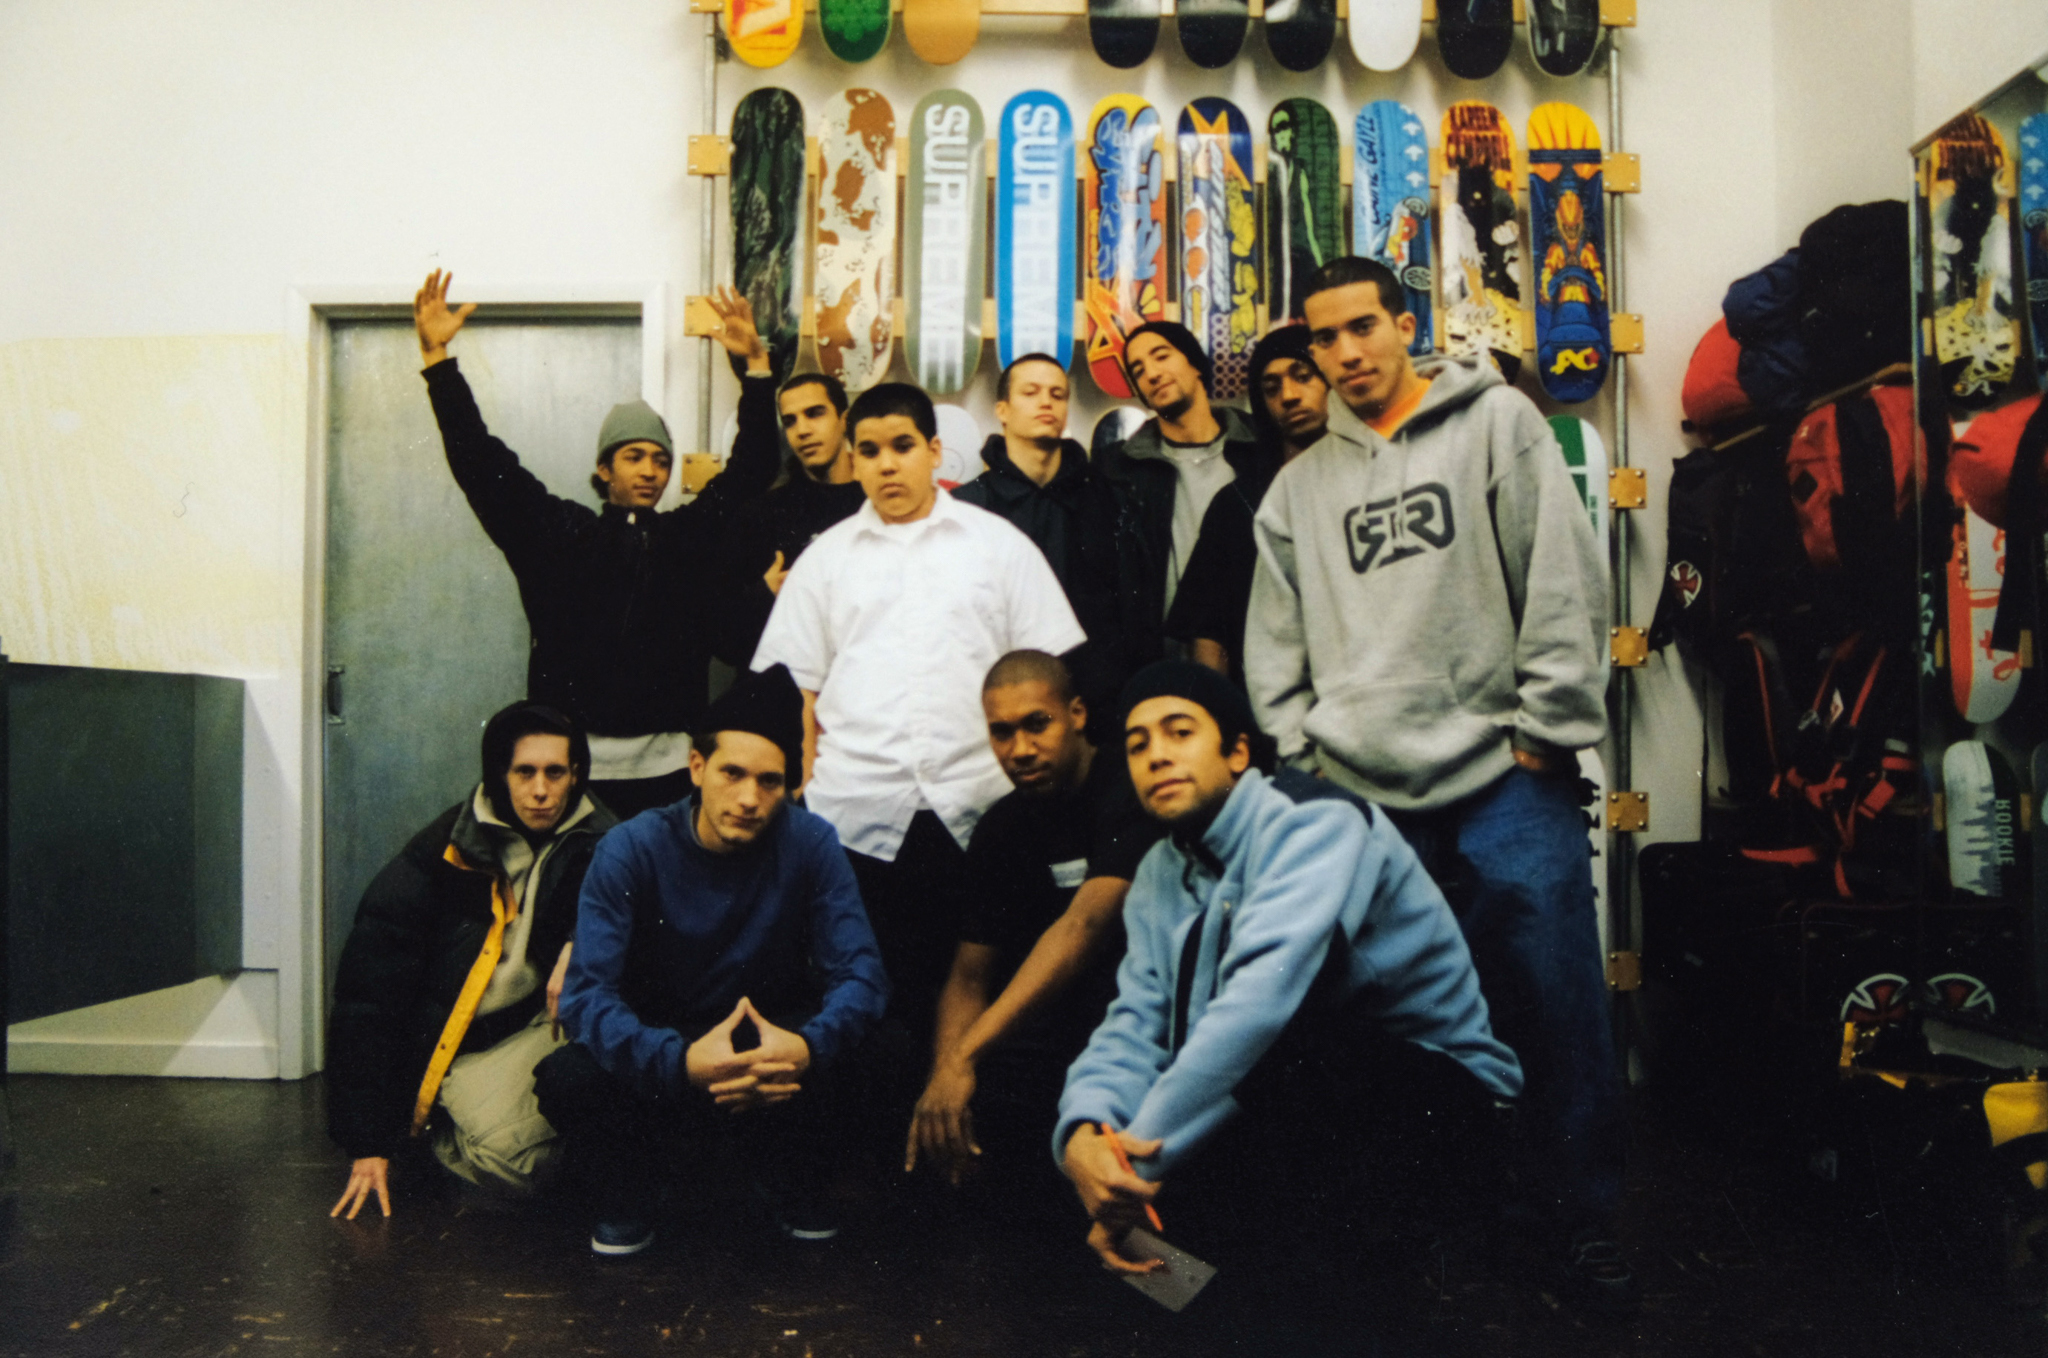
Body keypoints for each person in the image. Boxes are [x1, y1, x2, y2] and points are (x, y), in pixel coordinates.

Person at [1245, 256, 1632, 1311]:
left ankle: (1581, 1220)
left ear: (1402, 323)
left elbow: (1560, 571)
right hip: (1363, 792)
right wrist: (1301, 763)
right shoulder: (1295, 489)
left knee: (1551, 999)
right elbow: (1272, 649)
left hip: (1503, 775)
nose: (1345, 353)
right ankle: (1445, 1226)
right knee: (1400, 1022)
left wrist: (1549, 729)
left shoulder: (1496, 425)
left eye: (1362, 327)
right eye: (1323, 339)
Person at [1056, 662, 1520, 1279]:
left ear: (1239, 751)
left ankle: (1409, 1266)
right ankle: (1208, 1296)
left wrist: (1135, 1173)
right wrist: (1089, 1137)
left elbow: (1258, 1010)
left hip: (1435, 1098)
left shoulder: (1313, 821)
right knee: (1157, 1265)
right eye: (1138, 745)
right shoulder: (1157, 875)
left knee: (1292, 1054)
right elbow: (1136, 1023)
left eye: (1179, 732)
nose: (1157, 756)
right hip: (1281, 1100)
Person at [751, 383, 1087, 1041]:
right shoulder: (826, 560)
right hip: (858, 815)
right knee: (872, 1008)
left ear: (934, 451)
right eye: (869, 451)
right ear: (854, 458)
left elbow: (1049, 673)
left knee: (986, 1000)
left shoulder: (998, 545)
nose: (886, 464)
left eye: (903, 446)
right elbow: (802, 696)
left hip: (982, 807)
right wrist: (808, 797)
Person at [537, 664, 888, 1256]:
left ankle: (793, 1182)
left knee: (887, 1051)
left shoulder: (811, 842)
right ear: (697, 768)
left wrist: (806, 1048)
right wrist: (679, 1063)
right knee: (568, 1079)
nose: (750, 798)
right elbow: (586, 994)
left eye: (770, 782)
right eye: (732, 773)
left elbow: (862, 974)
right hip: (671, 1045)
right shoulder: (631, 847)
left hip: (772, 1046)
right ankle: (632, 1193)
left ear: (790, 786)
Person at [416, 271, 777, 818]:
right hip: (573, 773)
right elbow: (482, 462)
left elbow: (752, 469)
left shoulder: (687, 538)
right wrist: (438, 361)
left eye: (660, 459)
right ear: (604, 468)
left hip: (672, 774)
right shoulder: (561, 538)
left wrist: (756, 372)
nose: (651, 471)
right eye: (634, 457)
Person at [327, 701, 617, 1218]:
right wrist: (369, 1142)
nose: (541, 791)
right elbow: (368, 998)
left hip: (544, 1029)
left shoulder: (608, 841)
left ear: (577, 774)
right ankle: (446, 1131)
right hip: (458, 1046)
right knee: (507, 1160)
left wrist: (583, 939)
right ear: (499, 775)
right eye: (524, 772)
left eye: (556, 772)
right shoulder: (444, 851)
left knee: (531, 1151)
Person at [904, 650, 1161, 1199]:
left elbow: (1084, 925)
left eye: (1036, 724)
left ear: (1077, 714)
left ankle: (1168, 1274)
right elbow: (970, 975)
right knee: (955, 1104)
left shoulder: (1129, 785)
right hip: (1056, 1032)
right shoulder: (1003, 825)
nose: (1019, 750)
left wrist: (965, 1057)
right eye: (1001, 733)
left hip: (1144, 1024)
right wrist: (949, 1079)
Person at [954, 356, 1144, 711]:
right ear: (1003, 410)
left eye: (1058, 395)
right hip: (997, 706)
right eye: (1031, 392)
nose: (1047, 402)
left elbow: (1131, 615)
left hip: (1096, 707)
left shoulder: (1108, 500)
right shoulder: (966, 508)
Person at [1165, 325, 1332, 687]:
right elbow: (1207, 632)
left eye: (1303, 377)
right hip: (1265, 713)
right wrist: (1222, 719)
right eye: (1271, 388)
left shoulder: (1372, 482)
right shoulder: (1237, 504)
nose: (1288, 395)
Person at [1093, 322, 1273, 638]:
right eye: (1138, 370)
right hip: (1165, 656)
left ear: (1195, 365)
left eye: (1161, 356)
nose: (1151, 373)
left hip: (1257, 643)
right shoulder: (1119, 470)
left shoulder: (1260, 448)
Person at [712, 371, 867, 669]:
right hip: (785, 698)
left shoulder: (877, 507)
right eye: (790, 420)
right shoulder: (762, 516)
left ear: (844, 420)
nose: (802, 430)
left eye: (815, 414)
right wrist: (765, 595)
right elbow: (724, 643)